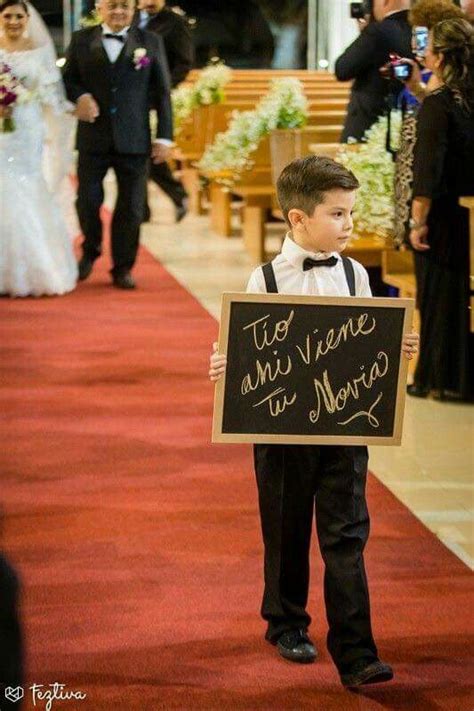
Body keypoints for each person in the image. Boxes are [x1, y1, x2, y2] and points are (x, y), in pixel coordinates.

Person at [209, 155, 419, 687]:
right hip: (281, 433)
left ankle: (356, 652)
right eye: (337, 214)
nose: (349, 225)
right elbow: (246, 356)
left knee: (347, 535)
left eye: (351, 214)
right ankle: (286, 623)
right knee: (285, 526)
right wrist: (225, 365)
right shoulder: (262, 280)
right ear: (298, 219)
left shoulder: (356, 275)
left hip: (345, 429)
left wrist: (398, 347)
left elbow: (367, 352)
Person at [62, 0, 173, 290]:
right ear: (99, 7)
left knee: (132, 208)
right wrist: (81, 96)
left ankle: (123, 267)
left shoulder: (150, 41)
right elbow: (68, 81)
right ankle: (90, 249)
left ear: (134, 9)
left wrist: (163, 137)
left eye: (124, 6)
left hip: (134, 138)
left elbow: (162, 93)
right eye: (112, 6)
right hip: (92, 137)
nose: (118, 12)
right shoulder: (80, 40)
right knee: (87, 200)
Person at [407, 18, 474, 401]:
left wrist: (417, 221)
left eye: (430, 46)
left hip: (446, 217)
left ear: (443, 55)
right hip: (472, 218)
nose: (424, 51)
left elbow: (427, 171)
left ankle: (435, 377)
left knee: (437, 297)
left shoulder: (440, 103)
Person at [0, 0, 78, 298]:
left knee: (26, 185)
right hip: (1, 130)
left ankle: (37, 267)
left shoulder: (40, 50)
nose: (14, 21)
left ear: (28, 18)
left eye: (19, 16)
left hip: (27, 128)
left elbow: (51, 92)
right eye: (8, 16)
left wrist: (69, 109)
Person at [392, 0, 464, 246]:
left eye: (422, 39)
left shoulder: (451, 86)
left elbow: (433, 150)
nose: (415, 46)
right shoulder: (436, 80)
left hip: (437, 202)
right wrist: (415, 87)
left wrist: (418, 218)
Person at [133, 0, 193, 223]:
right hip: (132, 97)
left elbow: (184, 62)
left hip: (157, 98)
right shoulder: (131, 18)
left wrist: (163, 86)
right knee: (139, 150)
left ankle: (175, 195)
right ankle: (148, 206)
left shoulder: (175, 23)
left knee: (145, 150)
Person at [335, 0, 413, 142]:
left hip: (369, 125)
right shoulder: (421, 31)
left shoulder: (376, 32)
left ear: (385, 1)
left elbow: (342, 69)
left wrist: (364, 35)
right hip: (406, 125)